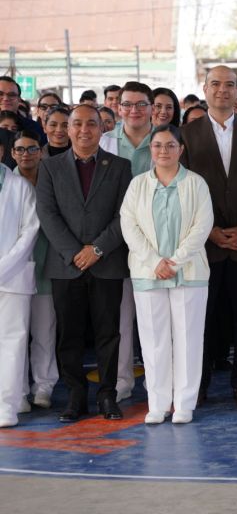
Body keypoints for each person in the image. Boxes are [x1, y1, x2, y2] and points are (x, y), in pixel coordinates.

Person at [180, 66, 237, 407]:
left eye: (229, 85)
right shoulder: (185, 135)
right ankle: (197, 385)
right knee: (203, 320)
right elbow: (184, 192)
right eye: (215, 84)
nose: (222, 90)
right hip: (204, 245)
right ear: (204, 89)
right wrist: (211, 231)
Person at [36, 105, 132, 422]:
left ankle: (107, 395)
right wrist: (75, 252)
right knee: (70, 334)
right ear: (67, 129)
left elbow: (124, 215)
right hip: (67, 264)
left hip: (107, 262)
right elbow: (47, 215)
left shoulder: (120, 167)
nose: (83, 130)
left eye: (91, 123)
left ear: (102, 129)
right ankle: (75, 396)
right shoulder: (49, 168)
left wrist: (98, 249)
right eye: (76, 124)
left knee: (108, 333)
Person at [120, 124, 214, 424]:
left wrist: (173, 261)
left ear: (181, 149)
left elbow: (202, 226)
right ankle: (158, 403)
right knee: (153, 340)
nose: (164, 151)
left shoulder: (196, 183)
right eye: (158, 145)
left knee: (188, 338)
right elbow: (129, 226)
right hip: (148, 274)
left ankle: (184, 404)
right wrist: (153, 261)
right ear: (151, 149)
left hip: (189, 272)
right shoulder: (138, 185)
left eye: (170, 145)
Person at [99, 81, 155, 402]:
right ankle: (122, 380)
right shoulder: (105, 143)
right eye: (128, 104)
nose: (134, 111)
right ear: (119, 108)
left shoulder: (164, 141)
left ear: (151, 107)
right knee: (119, 317)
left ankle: (156, 378)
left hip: (154, 243)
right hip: (115, 241)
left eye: (141, 104)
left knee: (154, 316)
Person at [12, 131, 59, 410]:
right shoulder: (7, 183)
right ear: (12, 152)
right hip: (12, 270)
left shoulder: (51, 180)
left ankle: (44, 387)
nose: (26, 154)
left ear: (41, 151)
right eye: (20, 149)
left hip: (46, 266)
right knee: (15, 334)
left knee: (44, 332)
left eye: (31, 149)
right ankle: (16, 391)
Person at [0, 134, 39, 427]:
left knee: (12, 343)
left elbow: (29, 232)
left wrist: (3, 268)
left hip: (12, 278)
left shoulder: (20, 186)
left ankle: (7, 407)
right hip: (9, 275)